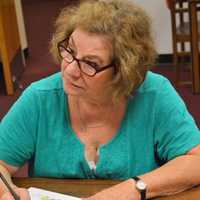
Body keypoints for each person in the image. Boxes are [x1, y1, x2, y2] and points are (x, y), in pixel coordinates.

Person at [0, 0, 200, 199]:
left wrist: (133, 189)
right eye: (69, 51)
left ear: (124, 71)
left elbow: (196, 161)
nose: (69, 70)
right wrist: (5, 192)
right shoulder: (40, 98)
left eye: (90, 63)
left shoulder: (154, 94)